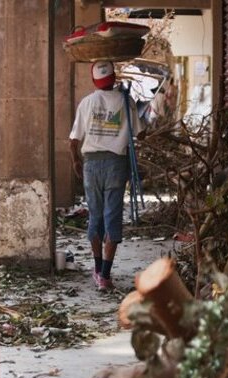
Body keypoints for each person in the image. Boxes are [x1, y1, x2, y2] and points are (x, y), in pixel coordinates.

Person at [69, 60, 143, 291]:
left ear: (94, 81)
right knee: (112, 216)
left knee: (96, 216)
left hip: (91, 164)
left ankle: (98, 268)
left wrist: (76, 161)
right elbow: (139, 134)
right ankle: (105, 275)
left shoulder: (87, 102)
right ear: (113, 79)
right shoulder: (126, 100)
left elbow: (73, 140)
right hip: (116, 164)